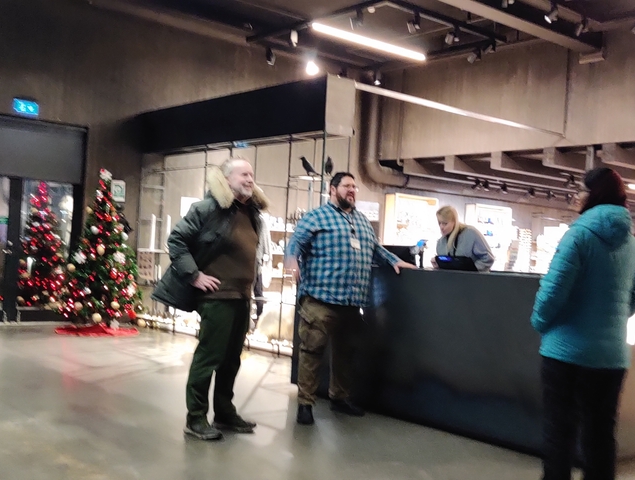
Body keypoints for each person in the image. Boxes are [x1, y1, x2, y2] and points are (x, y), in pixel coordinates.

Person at [530, 167, 635, 480]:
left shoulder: (578, 235)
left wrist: (540, 322)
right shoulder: (633, 245)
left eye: (580, 190)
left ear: (592, 194)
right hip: (612, 359)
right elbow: (634, 299)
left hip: (566, 354)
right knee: (600, 439)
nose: (576, 196)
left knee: (559, 436)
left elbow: (553, 291)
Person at [151, 157, 269, 441]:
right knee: (209, 357)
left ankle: (225, 413)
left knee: (231, 360)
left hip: (241, 297)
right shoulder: (207, 209)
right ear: (226, 180)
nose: (249, 179)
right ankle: (195, 419)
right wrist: (195, 276)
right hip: (217, 297)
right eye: (243, 174)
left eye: (252, 174)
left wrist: (256, 292)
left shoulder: (251, 213)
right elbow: (176, 241)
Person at [285, 172, 416, 425]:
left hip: (351, 304)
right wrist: (291, 260)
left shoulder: (363, 222)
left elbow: (375, 249)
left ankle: (339, 398)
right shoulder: (316, 217)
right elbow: (296, 243)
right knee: (312, 352)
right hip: (320, 300)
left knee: (345, 353)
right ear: (332, 190)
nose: (352, 190)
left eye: (355, 187)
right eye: (347, 186)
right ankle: (305, 404)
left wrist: (395, 261)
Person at [432, 206, 495, 272]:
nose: (441, 227)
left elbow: (488, 258)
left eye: (445, 223)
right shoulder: (441, 243)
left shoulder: (471, 233)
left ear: (454, 221)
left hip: (473, 281)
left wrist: (471, 270)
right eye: (439, 223)